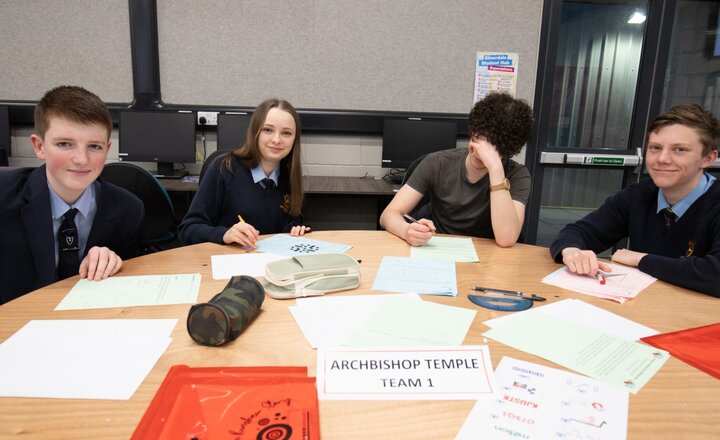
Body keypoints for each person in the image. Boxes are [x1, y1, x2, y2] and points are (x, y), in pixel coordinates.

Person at [550, 103, 720, 297]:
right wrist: (572, 251)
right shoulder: (638, 195)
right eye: (655, 148)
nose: (662, 159)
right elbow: (579, 231)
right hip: (643, 308)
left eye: (679, 150)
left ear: (708, 158)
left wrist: (641, 259)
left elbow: (715, 275)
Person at [0, 85, 144, 304]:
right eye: (65, 144)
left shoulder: (128, 209)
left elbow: (125, 289)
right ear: (39, 147)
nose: (81, 159)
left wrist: (114, 263)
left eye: (94, 146)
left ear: (107, 149)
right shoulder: (4, 195)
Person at [379, 92, 534, 247]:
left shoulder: (518, 175)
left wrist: (495, 168)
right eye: (479, 137)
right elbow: (388, 214)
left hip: (490, 254)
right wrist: (406, 230)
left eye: (494, 144)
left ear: (508, 148)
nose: (480, 150)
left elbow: (506, 239)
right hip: (441, 248)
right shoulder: (437, 163)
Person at [179, 98, 310, 246]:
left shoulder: (289, 176)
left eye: (286, 133)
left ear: (294, 139)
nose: (276, 139)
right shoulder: (224, 168)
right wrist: (224, 234)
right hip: (228, 261)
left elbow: (289, 225)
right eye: (268, 130)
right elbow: (188, 229)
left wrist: (296, 230)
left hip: (269, 262)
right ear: (255, 132)